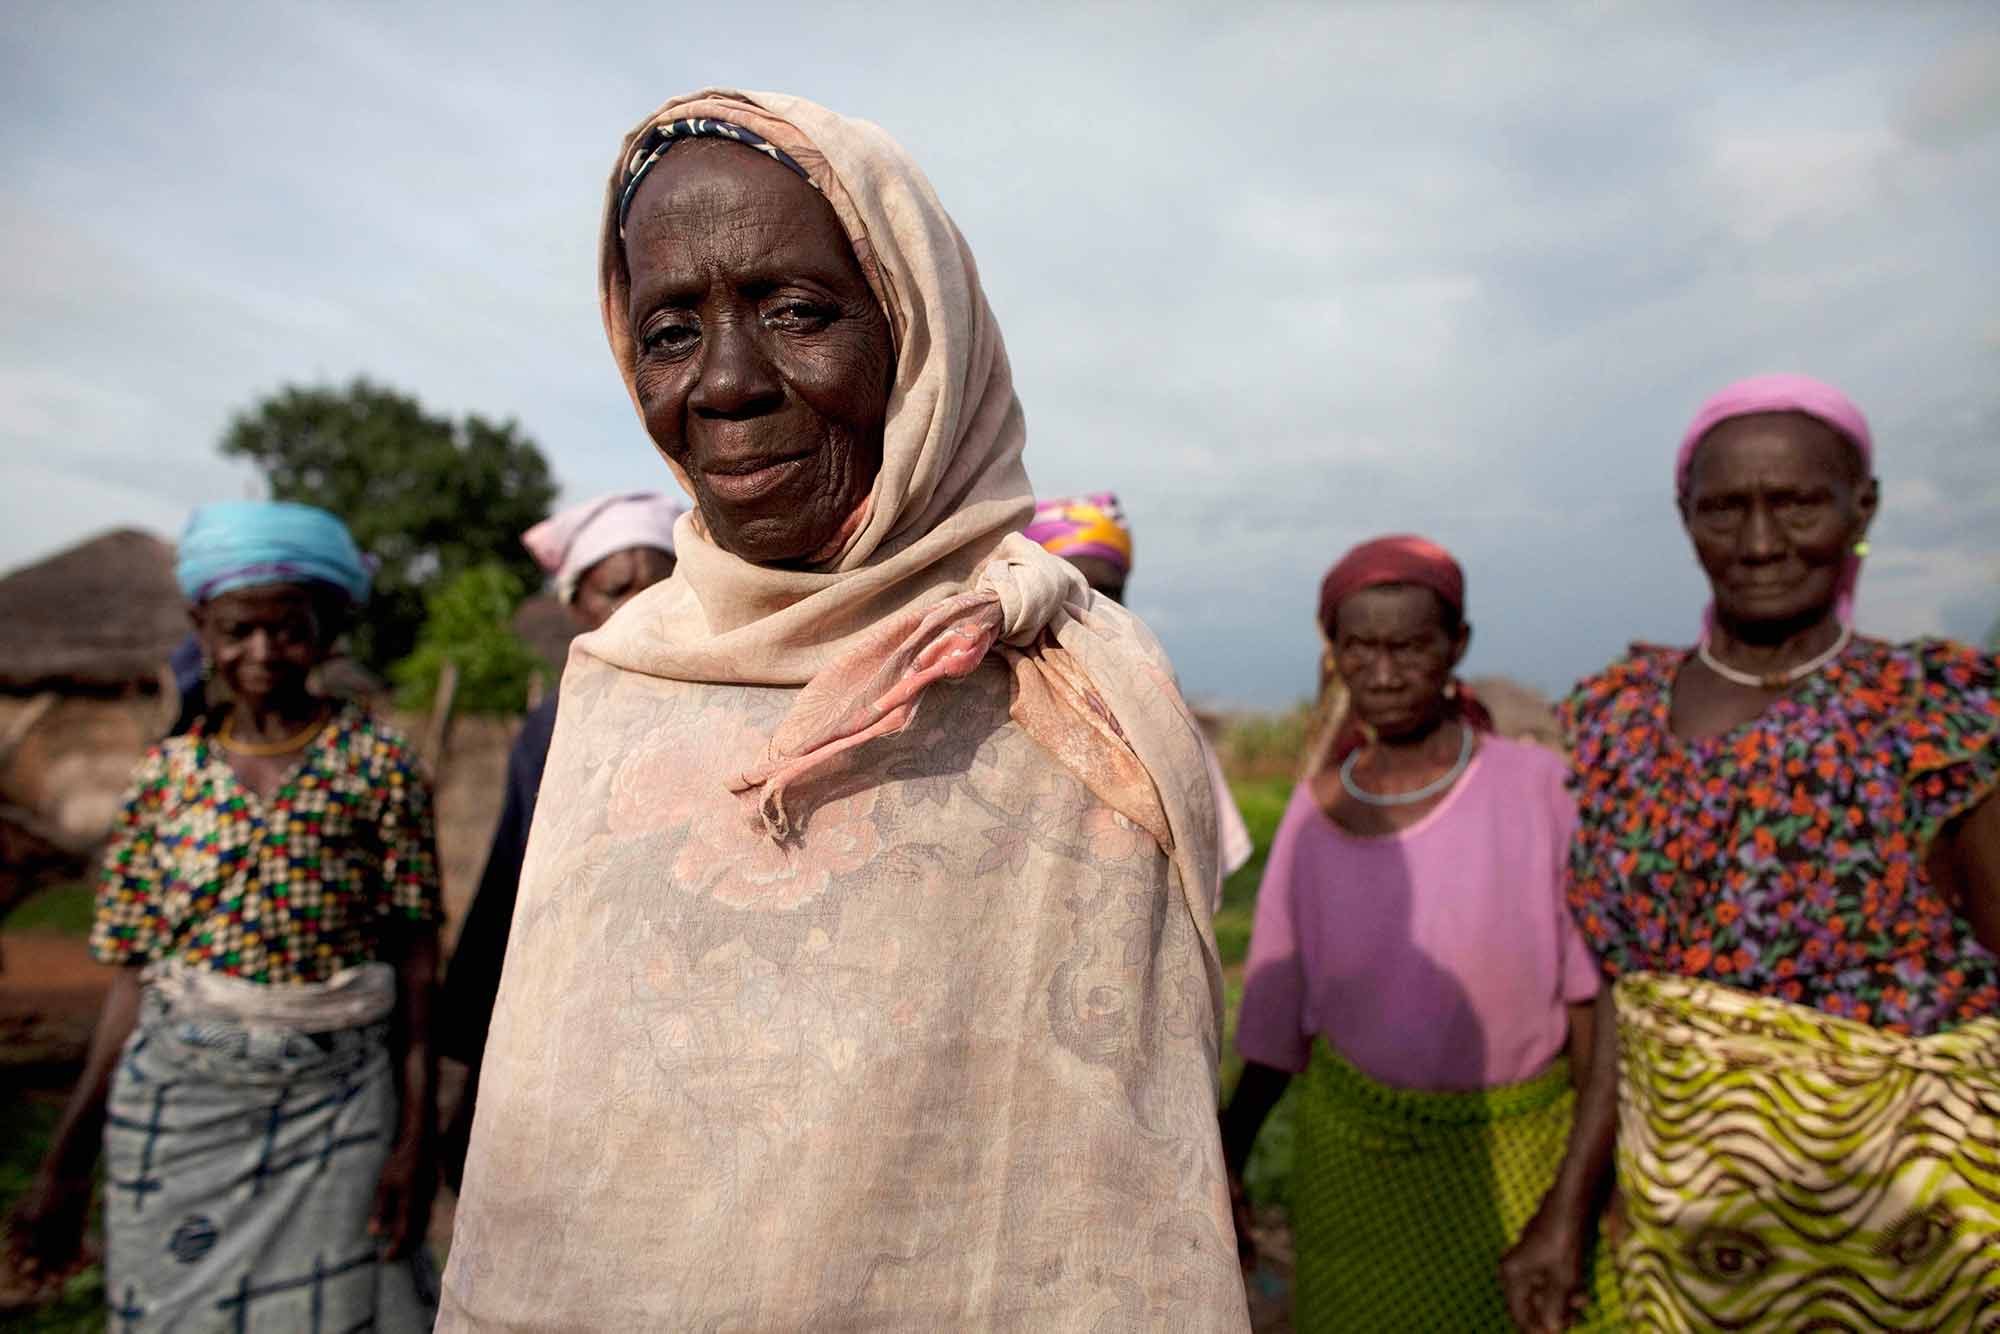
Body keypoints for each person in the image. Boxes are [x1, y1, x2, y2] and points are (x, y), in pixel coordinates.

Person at [439, 91, 1246, 1329]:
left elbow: (1111, 1191)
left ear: (919, 330)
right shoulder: (621, 681)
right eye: (668, 329)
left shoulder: (1070, 681)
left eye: (797, 311)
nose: (723, 383)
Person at [1502, 374, 2000, 1330]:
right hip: (1681, 1234)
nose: (1762, 542)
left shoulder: (1933, 714)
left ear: (1865, 507)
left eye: (1799, 503)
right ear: (1685, 517)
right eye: (1725, 509)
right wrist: (1567, 1207)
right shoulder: (1617, 717)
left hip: (1910, 1247)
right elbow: (1623, 994)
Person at [5, 500, 443, 1330]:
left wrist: (414, 1139)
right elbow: (133, 978)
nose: (262, 653)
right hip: (177, 1108)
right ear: (201, 627)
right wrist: (67, 1161)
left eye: (289, 630)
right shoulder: (166, 777)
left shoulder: (377, 763)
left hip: (338, 1103)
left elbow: (417, 958)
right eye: (238, 630)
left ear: (329, 627)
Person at [1219, 535, 1616, 1329]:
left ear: (1457, 646)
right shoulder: (1314, 810)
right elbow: (1273, 1020)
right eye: (1360, 648)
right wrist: (1226, 1160)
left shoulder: (1538, 788)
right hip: (1352, 1180)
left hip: (1520, 1167)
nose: (1387, 673)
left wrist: (1577, 1203)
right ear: (1334, 654)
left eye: (1411, 646)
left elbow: (1592, 1016)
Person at [436, 491, 682, 1187]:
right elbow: (512, 885)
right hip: (573, 1007)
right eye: (615, 590)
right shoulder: (550, 728)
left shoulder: (727, 700)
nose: (638, 605)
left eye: (660, 585)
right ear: (577, 606)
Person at [1027, 491, 1254, 897]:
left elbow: (1198, 884)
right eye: (1068, 593)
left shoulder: (1164, 720)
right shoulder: (997, 713)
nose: (1087, 613)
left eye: (1106, 594)